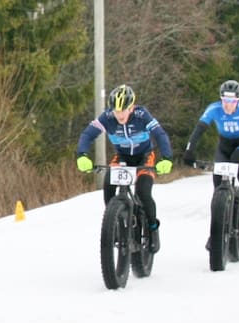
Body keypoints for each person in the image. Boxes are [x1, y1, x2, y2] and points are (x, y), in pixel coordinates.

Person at [75, 84, 175, 253]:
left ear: (131, 107)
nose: (120, 115)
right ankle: (114, 223)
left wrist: (167, 158)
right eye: (116, 111)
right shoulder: (107, 117)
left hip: (144, 156)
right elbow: (87, 134)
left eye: (123, 110)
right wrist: (82, 155)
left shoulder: (142, 115)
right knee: (108, 184)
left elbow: (160, 134)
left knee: (143, 192)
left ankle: (152, 228)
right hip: (122, 157)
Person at [182, 79, 239, 220]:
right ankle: (218, 218)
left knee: (237, 160)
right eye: (225, 100)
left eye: (232, 101)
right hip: (224, 145)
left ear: (238, 100)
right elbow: (198, 131)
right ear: (221, 99)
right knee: (217, 178)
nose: (228, 105)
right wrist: (189, 151)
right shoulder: (213, 109)